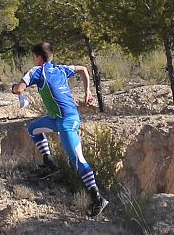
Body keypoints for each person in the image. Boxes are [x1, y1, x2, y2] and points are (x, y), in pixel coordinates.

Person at [11, 42, 109, 218]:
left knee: (78, 160)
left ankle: (97, 198)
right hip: (56, 119)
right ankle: (50, 163)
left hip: (67, 121)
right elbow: (83, 70)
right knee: (33, 129)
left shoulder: (36, 71)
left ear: (39, 58)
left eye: (34, 57)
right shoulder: (61, 69)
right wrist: (87, 91)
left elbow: (18, 89)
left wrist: (14, 89)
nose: (33, 60)